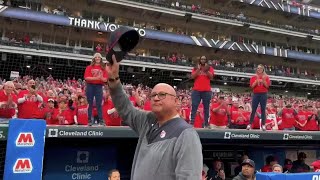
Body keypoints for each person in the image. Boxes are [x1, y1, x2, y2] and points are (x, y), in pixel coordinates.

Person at [106, 55, 203, 180]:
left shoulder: (186, 134)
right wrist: (114, 80)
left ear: (176, 101)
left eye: (162, 94)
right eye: (153, 95)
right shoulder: (147, 121)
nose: (156, 98)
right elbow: (125, 109)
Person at [84, 52, 108, 126]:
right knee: (90, 103)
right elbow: (86, 78)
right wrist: (97, 78)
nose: (97, 58)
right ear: (94, 58)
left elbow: (106, 79)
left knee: (99, 104)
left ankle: (101, 120)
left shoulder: (103, 68)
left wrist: (101, 78)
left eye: (99, 57)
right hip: (90, 86)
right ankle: (89, 120)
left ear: (101, 59)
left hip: (98, 86)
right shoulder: (89, 67)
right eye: (96, 57)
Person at [190, 56, 214, 128]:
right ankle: (192, 123)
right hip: (196, 90)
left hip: (206, 91)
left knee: (206, 108)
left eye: (204, 59)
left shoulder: (210, 68)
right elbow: (192, 77)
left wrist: (206, 71)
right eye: (202, 59)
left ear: (206, 60)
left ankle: (206, 124)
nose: (203, 60)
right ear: (200, 60)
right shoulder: (195, 67)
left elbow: (211, 77)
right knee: (194, 106)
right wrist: (198, 69)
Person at [247, 64, 270, 131]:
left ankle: (263, 125)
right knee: (253, 109)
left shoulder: (266, 77)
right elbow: (252, 87)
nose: (258, 69)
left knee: (263, 109)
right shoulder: (253, 77)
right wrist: (256, 81)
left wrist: (263, 80)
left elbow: (267, 86)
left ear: (263, 69)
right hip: (256, 94)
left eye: (260, 68)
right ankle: (250, 124)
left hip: (263, 94)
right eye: (258, 68)